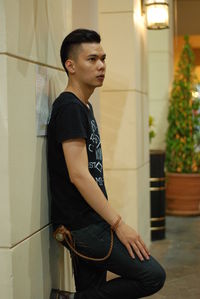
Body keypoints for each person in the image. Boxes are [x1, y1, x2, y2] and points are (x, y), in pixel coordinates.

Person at [47, 28, 166, 299]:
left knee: (94, 292)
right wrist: (118, 224)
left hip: (90, 221)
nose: (101, 65)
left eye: (103, 58)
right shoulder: (70, 108)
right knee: (153, 276)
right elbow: (78, 174)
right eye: (92, 59)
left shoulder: (83, 106)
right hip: (83, 225)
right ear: (71, 66)